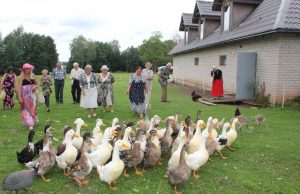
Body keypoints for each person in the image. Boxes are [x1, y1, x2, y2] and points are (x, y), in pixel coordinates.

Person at [17, 63, 37, 130]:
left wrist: (35, 87)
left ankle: (32, 120)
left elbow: (37, 83)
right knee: (26, 109)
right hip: (25, 96)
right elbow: (19, 88)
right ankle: (30, 124)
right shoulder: (20, 78)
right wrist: (19, 97)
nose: (28, 70)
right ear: (24, 70)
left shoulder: (33, 76)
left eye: (29, 69)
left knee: (32, 108)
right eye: (26, 69)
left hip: (32, 96)